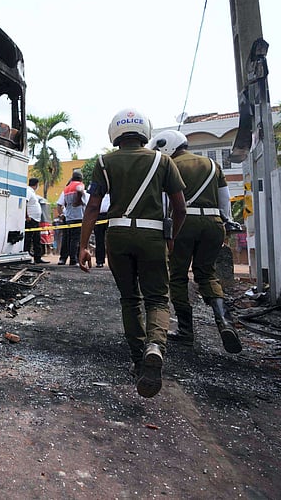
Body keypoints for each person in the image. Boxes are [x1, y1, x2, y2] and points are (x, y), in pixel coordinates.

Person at [78, 108, 186, 398]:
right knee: (158, 299)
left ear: (115, 133)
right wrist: (172, 238)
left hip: (118, 235)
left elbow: (92, 207)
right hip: (153, 236)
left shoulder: (103, 162)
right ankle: (155, 346)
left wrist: (83, 246)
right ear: (145, 132)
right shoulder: (163, 161)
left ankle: (139, 361)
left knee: (130, 299)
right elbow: (180, 207)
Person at [147, 130, 242, 353]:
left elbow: (164, 203)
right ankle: (225, 322)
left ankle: (186, 332)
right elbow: (224, 199)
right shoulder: (212, 164)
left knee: (178, 275)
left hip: (184, 223)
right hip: (213, 223)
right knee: (207, 273)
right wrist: (225, 224)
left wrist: (165, 231)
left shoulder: (168, 166)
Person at [56, 171, 87, 265]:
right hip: (78, 216)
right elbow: (80, 190)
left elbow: (59, 204)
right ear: (81, 178)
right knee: (76, 239)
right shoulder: (79, 185)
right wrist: (77, 201)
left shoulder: (66, 188)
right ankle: (74, 260)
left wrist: (62, 215)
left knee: (68, 239)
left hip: (69, 217)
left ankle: (66, 259)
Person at [24, 177, 49, 264]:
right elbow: (25, 203)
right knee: (28, 239)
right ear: (36, 184)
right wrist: (27, 216)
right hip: (30, 219)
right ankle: (26, 258)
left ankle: (37, 258)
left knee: (37, 239)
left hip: (36, 220)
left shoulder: (32, 192)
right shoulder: (28, 191)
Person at [92, 193, 110, 268]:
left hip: (109, 215)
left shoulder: (112, 194)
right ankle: (99, 261)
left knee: (111, 241)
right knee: (99, 240)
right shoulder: (97, 194)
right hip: (98, 216)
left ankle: (112, 261)